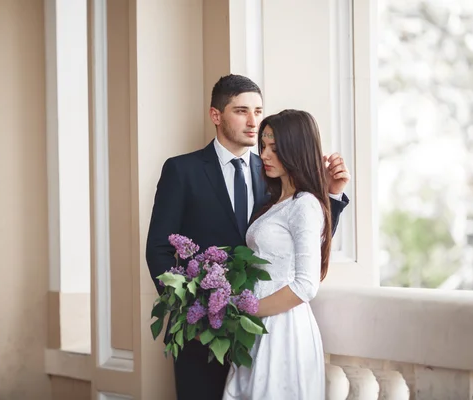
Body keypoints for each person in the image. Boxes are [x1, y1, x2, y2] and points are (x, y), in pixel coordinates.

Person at [146, 75, 350, 400]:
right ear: (217, 116)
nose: (253, 121)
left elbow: (301, 246)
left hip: (263, 331)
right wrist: (194, 312)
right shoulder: (181, 171)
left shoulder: (272, 171)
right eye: (242, 110)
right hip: (203, 335)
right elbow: (158, 249)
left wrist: (331, 198)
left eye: (258, 110)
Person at [222, 109, 332, 399]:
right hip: (259, 326)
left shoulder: (305, 205)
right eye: (263, 146)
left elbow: (306, 284)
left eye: (275, 147)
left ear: (296, 149)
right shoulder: (276, 202)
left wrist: (246, 310)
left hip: (283, 330)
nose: (265, 155)